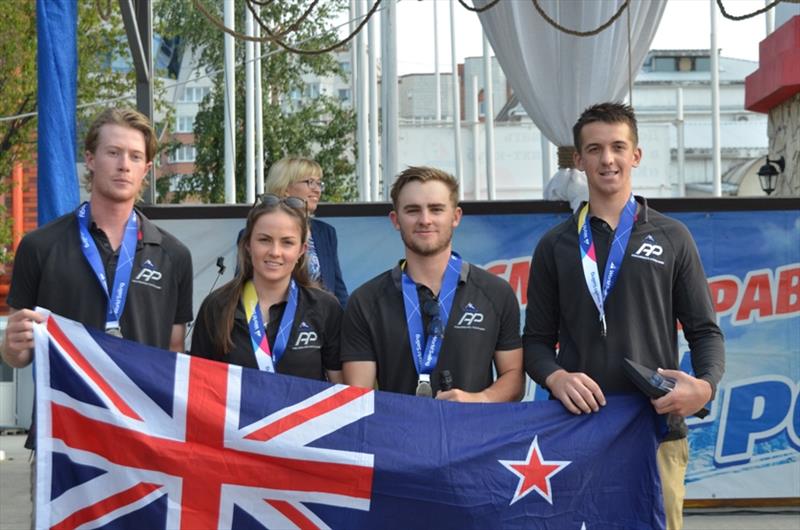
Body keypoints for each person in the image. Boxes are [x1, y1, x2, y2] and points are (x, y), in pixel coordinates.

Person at [523, 102, 725, 530]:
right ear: (578, 160)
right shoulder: (555, 245)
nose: (607, 159)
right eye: (594, 149)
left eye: (618, 147)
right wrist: (556, 378)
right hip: (575, 431)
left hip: (654, 431)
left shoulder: (673, 237)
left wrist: (704, 388)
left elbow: (705, 332)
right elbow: (536, 344)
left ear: (636, 155)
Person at [1, 107, 194, 520]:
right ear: (90, 159)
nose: (124, 165)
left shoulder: (174, 255)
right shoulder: (40, 247)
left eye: (135, 156)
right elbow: (18, 355)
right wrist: (11, 346)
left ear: (146, 167)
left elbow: (175, 353)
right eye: (113, 152)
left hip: (144, 439)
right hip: (63, 439)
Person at [341, 166, 523, 402]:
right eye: (413, 210)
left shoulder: (495, 292)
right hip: (397, 436)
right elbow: (358, 398)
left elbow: (514, 377)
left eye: (436, 209)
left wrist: (480, 399)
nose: (425, 220)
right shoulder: (365, 301)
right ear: (396, 220)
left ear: (455, 216)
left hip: (475, 435)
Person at [190, 194, 343, 383]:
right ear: (247, 244)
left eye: (287, 242)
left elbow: (341, 392)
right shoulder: (217, 306)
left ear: (301, 250)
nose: (275, 252)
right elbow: (199, 387)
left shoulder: (325, 307)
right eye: (264, 240)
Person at [263, 156, 348, 307]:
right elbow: (245, 285)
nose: (317, 189)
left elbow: (337, 288)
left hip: (321, 320)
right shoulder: (256, 233)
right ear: (285, 188)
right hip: (275, 320)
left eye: (319, 183)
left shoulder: (326, 232)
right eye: (309, 182)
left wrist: (347, 322)